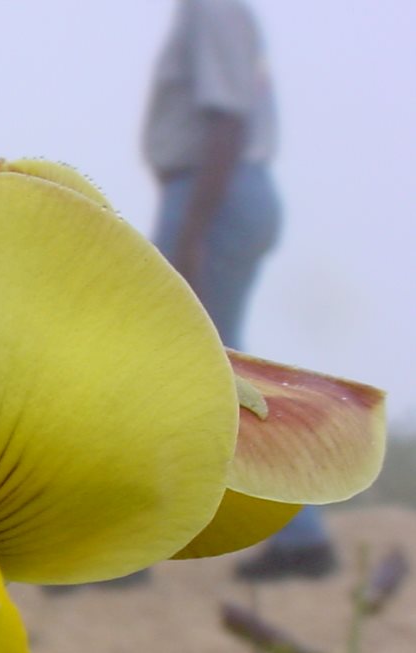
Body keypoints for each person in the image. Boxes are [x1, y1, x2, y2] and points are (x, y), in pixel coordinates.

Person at [143, 0, 337, 581]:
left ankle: (299, 535)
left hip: (214, 193)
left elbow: (227, 118)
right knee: (208, 362)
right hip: (218, 192)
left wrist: (194, 230)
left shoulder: (213, 8)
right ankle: (298, 534)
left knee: (188, 363)